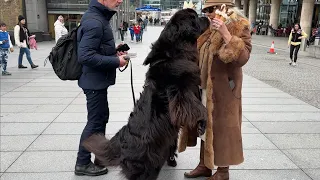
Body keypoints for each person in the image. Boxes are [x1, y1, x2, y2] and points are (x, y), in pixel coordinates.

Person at [179, 1, 252, 180]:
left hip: (224, 90)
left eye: (212, 9)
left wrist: (225, 33)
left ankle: (222, 172)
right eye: (206, 10)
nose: (209, 14)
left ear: (225, 8)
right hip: (204, 87)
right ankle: (205, 165)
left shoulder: (238, 26)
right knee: (205, 127)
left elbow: (243, 58)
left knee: (223, 129)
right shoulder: (209, 28)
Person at [74, 0, 127, 176]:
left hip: (96, 81)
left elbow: (95, 49)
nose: (120, 0)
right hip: (93, 83)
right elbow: (86, 55)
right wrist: (116, 61)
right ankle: (82, 163)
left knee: (101, 117)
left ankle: (99, 157)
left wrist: (113, 51)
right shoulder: (95, 22)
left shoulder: (97, 18)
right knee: (95, 121)